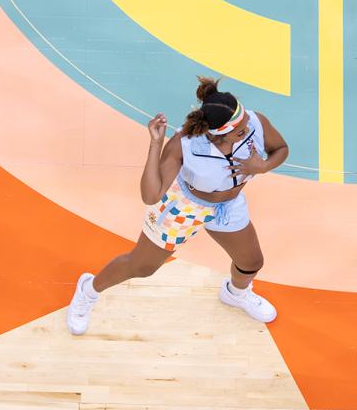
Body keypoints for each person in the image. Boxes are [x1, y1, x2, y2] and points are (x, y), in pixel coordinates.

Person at [66, 79, 290, 335]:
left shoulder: (254, 122)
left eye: (246, 122)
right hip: (184, 206)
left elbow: (281, 149)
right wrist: (156, 144)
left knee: (251, 262)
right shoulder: (184, 144)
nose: (248, 128)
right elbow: (150, 195)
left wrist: (263, 166)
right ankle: (88, 290)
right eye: (239, 131)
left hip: (228, 205)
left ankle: (236, 294)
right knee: (142, 266)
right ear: (218, 134)